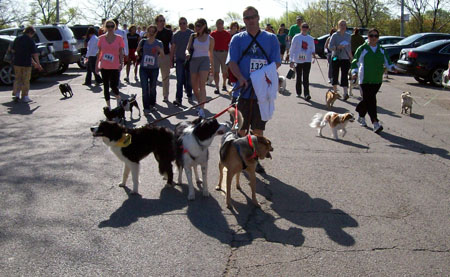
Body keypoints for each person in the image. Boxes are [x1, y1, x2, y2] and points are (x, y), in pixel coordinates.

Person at [227, 6, 281, 173]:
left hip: (262, 92)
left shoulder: (271, 39)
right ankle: (242, 158)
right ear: (244, 20)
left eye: (253, 17)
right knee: (241, 129)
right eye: (247, 18)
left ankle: (255, 160)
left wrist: (259, 78)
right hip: (242, 90)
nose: (250, 20)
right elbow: (232, 62)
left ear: (258, 18)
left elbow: (276, 62)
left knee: (258, 129)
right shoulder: (237, 39)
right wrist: (241, 78)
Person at [351, 28, 397, 134]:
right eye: (371, 36)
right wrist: (354, 72)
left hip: (376, 80)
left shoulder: (381, 49)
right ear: (368, 37)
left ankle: (360, 114)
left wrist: (392, 68)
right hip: (365, 79)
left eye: (376, 36)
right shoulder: (363, 48)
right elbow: (355, 61)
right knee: (372, 101)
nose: (373, 38)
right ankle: (375, 123)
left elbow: (388, 62)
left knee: (368, 100)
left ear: (378, 38)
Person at [185, 18, 215, 118]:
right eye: (196, 25)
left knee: (202, 85)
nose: (197, 28)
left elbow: (211, 55)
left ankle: (201, 108)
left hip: (204, 61)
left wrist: (212, 68)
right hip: (193, 60)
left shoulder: (210, 39)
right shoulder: (192, 36)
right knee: (194, 86)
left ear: (204, 26)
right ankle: (199, 102)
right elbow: (187, 48)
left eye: (199, 26)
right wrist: (187, 53)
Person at [95, 19, 125, 109]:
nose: (110, 28)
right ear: (105, 27)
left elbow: (121, 52)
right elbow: (99, 53)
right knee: (106, 86)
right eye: (108, 26)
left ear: (115, 27)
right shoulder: (101, 38)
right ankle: (108, 106)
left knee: (113, 85)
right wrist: (97, 65)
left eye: (112, 26)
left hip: (115, 65)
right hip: (104, 65)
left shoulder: (119, 38)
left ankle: (118, 97)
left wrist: (121, 62)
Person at [136, 25, 164, 114]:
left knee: (152, 88)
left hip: (154, 69)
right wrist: (137, 54)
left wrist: (160, 51)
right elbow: (136, 50)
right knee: (144, 88)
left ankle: (152, 105)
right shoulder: (143, 41)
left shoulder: (159, 43)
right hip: (143, 68)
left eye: (153, 32)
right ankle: (146, 108)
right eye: (150, 31)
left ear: (156, 33)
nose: (151, 33)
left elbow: (162, 56)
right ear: (147, 32)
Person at [10, 26, 43, 102]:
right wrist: (38, 64)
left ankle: (17, 94)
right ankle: (25, 96)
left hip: (17, 62)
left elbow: (13, 50)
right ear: (31, 33)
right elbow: (34, 54)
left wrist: (34, 63)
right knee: (25, 79)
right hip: (26, 63)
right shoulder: (30, 41)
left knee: (18, 78)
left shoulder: (17, 39)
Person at [170, 17, 194, 106]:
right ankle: (178, 99)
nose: (182, 25)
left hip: (189, 60)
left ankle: (189, 94)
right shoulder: (176, 35)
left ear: (187, 23)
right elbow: (172, 48)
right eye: (180, 23)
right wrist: (171, 60)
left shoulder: (192, 34)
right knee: (179, 80)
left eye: (184, 23)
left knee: (189, 80)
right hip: (179, 60)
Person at [289, 22, 316, 100]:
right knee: (299, 76)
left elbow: (312, 48)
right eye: (303, 27)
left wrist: (313, 54)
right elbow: (292, 49)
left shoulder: (310, 38)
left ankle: (307, 94)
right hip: (298, 60)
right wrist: (291, 60)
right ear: (301, 28)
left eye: (306, 27)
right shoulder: (296, 37)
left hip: (307, 60)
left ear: (308, 29)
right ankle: (298, 92)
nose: (305, 28)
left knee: (306, 77)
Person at [329, 19, 352, 100]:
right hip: (336, 57)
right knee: (335, 74)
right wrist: (337, 47)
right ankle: (335, 92)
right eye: (341, 25)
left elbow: (349, 48)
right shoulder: (335, 35)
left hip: (345, 57)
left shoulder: (348, 36)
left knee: (345, 75)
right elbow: (330, 47)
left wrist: (351, 57)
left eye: (344, 25)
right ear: (338, 26)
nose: (343, 26)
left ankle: (345, 93)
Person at [155, 14, 173, 103]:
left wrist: (171, 59)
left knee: (165, 77)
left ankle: (165, 96)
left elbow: (172, 45)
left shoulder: (168, 32)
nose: (162, 23)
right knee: (152, 77)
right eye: (160, 21)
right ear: (156, 22)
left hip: (165, 56)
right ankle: (152, 97)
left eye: (163, 21)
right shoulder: (152, 31)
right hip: (153, 57)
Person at [210, 19, 231, 94]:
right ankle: (217, 87)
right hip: (215, 53)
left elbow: (230, 45)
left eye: (221, 23)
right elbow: (210, 45)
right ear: (216, 24)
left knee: (224, 72)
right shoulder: (212, 34)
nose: (219, 25)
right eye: (218, 23)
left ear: (223, 24)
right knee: (216, 72)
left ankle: (224, 84)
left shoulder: (227, 34)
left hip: (224, 53)